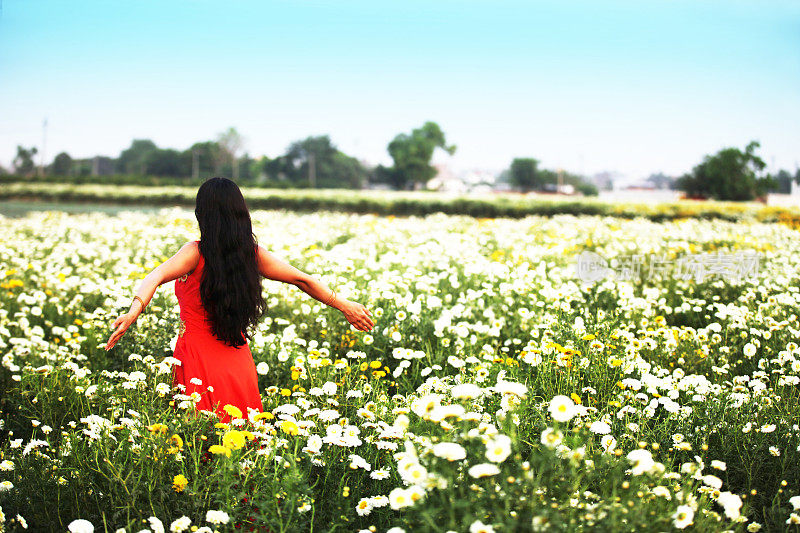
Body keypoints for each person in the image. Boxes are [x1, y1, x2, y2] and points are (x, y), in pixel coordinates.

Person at [104, 177, 374, 424]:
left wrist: (133, 311)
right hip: (237, 360)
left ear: (203, 214)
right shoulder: (251, 254)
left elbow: (154, 277)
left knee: (201, 440)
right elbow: (303, 280)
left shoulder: (195, 252)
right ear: (240, 213)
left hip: (196, 359)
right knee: (242, 440)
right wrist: (344, 305)